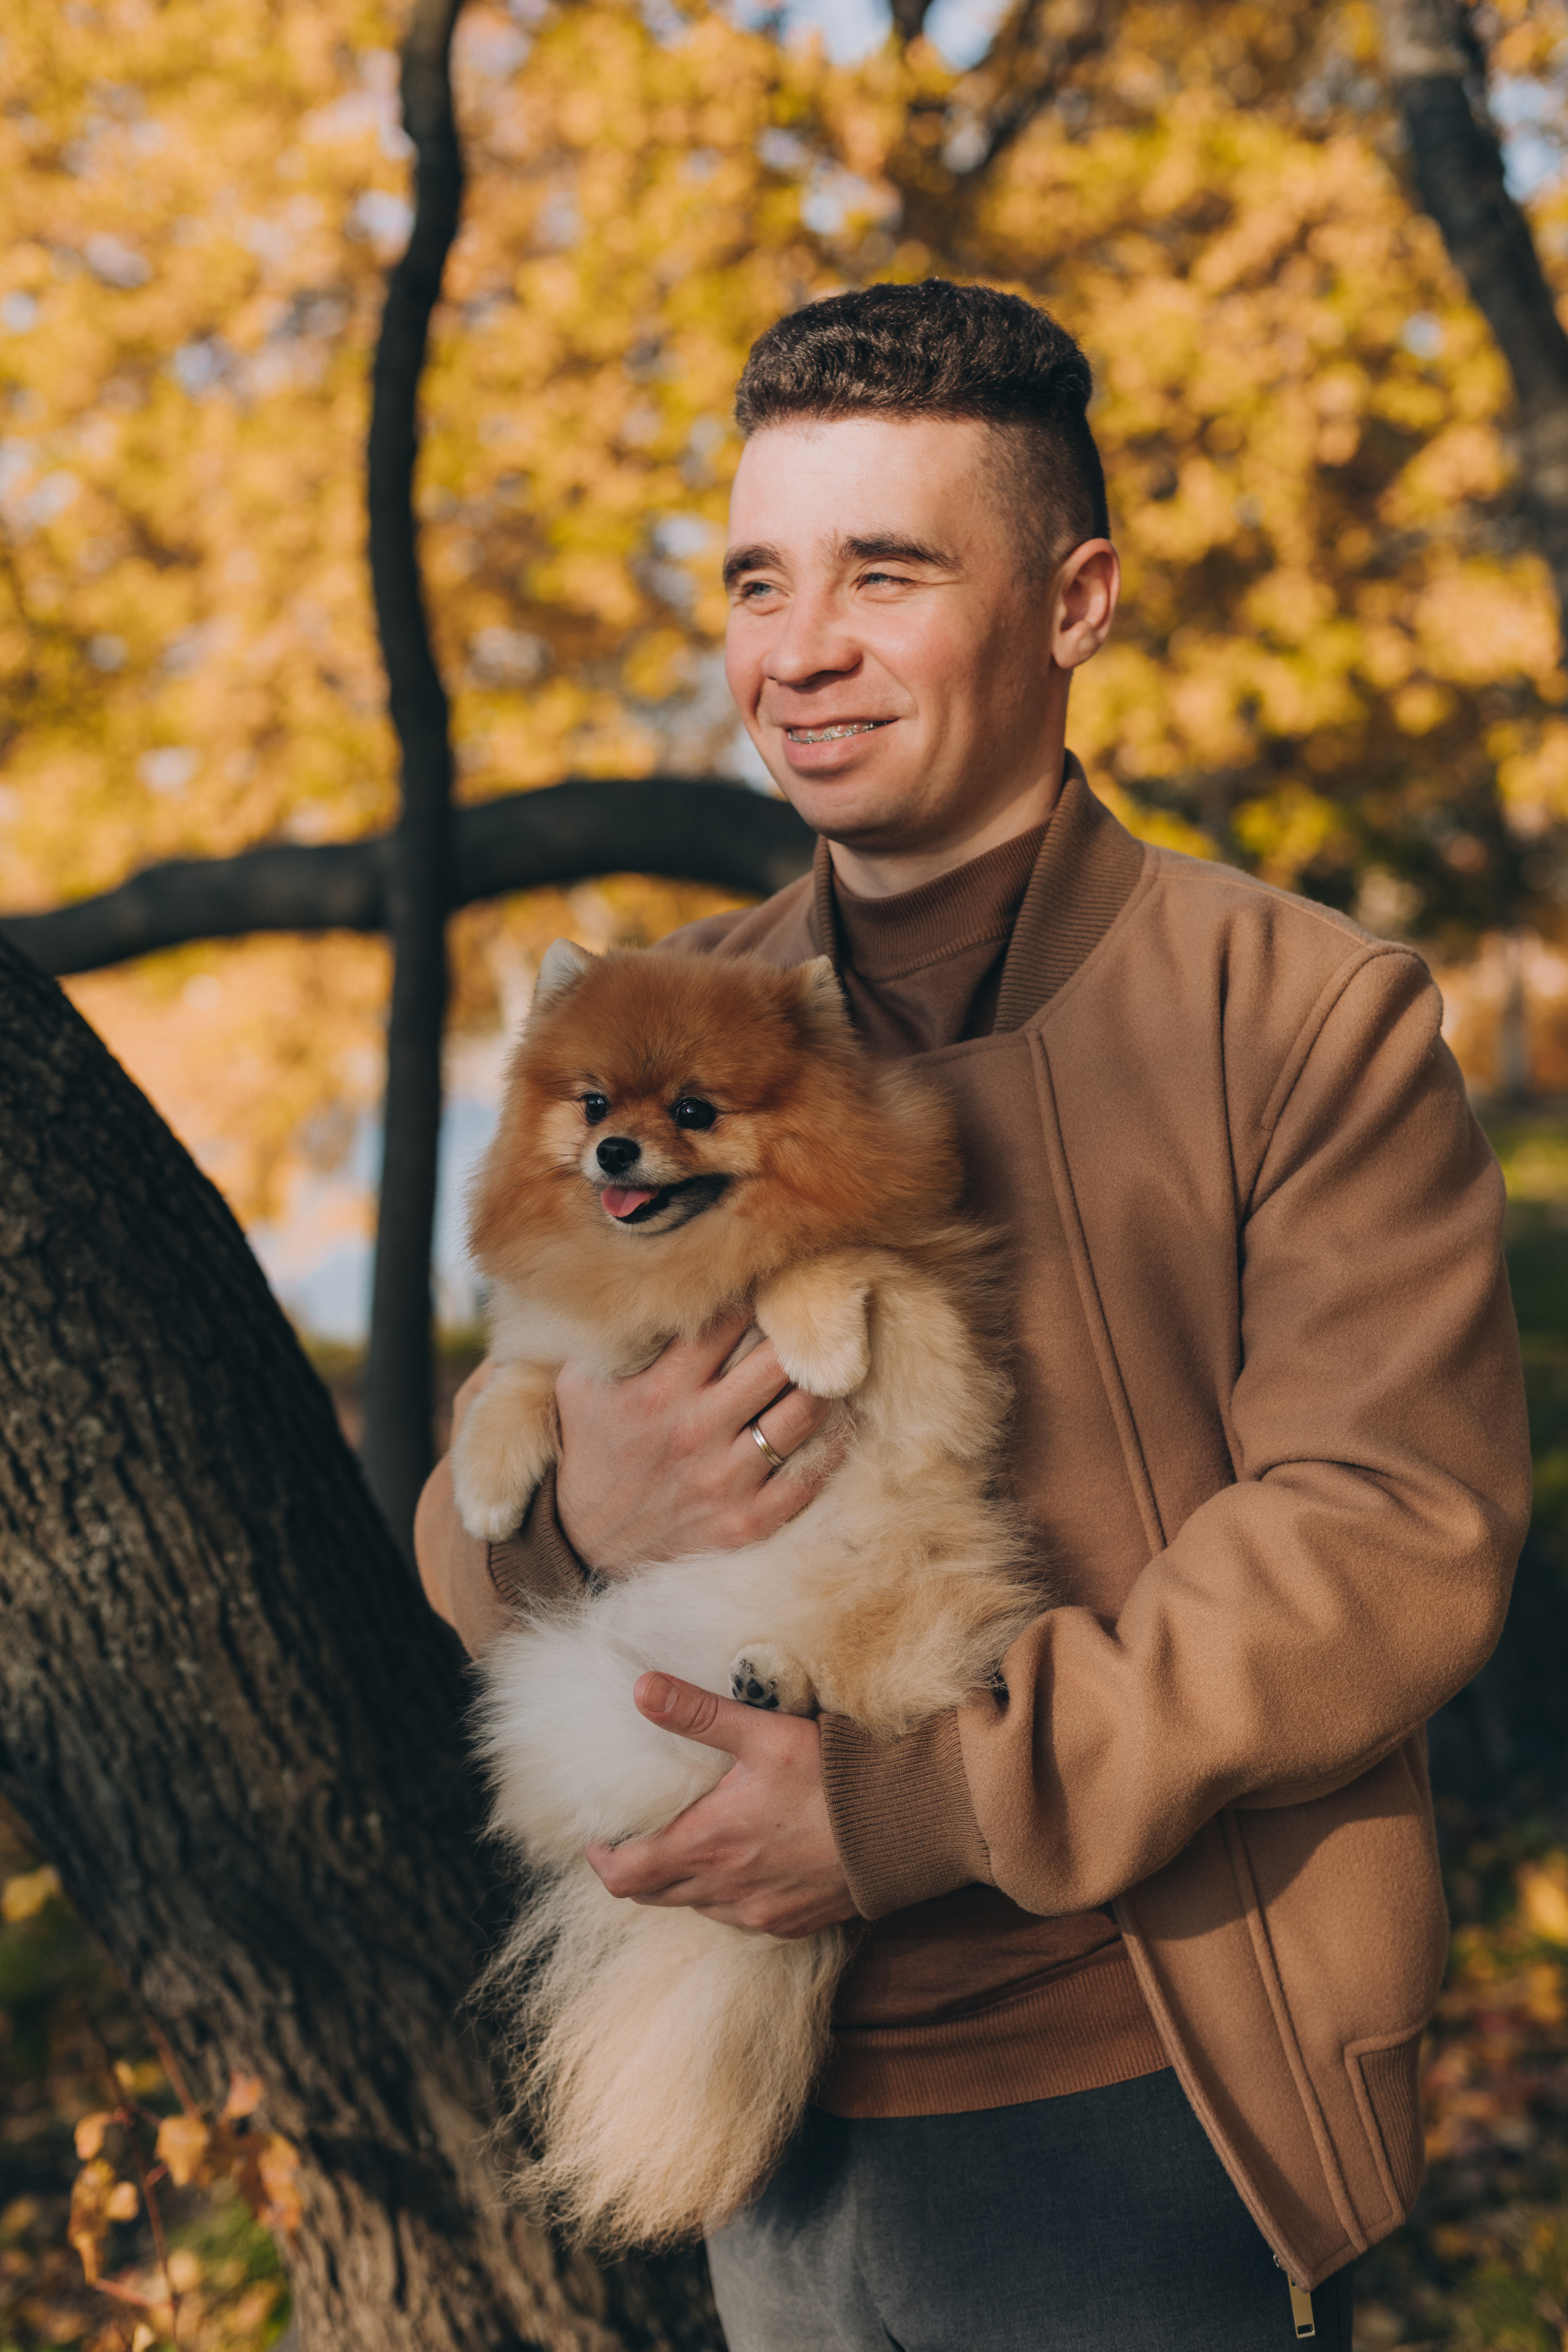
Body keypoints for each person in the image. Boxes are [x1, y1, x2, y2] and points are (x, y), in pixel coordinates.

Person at [416, 281, 1529, 2351]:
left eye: (884, 572)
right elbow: (476, 1497)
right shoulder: (668, 1024)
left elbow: (1387, 1537)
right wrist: (577, 1511)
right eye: (757, 578)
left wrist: (911, 1806)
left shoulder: (1301, 1013)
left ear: (1077, 601)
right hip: (762, 2094)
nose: (799, 648)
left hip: (1150, 2094)